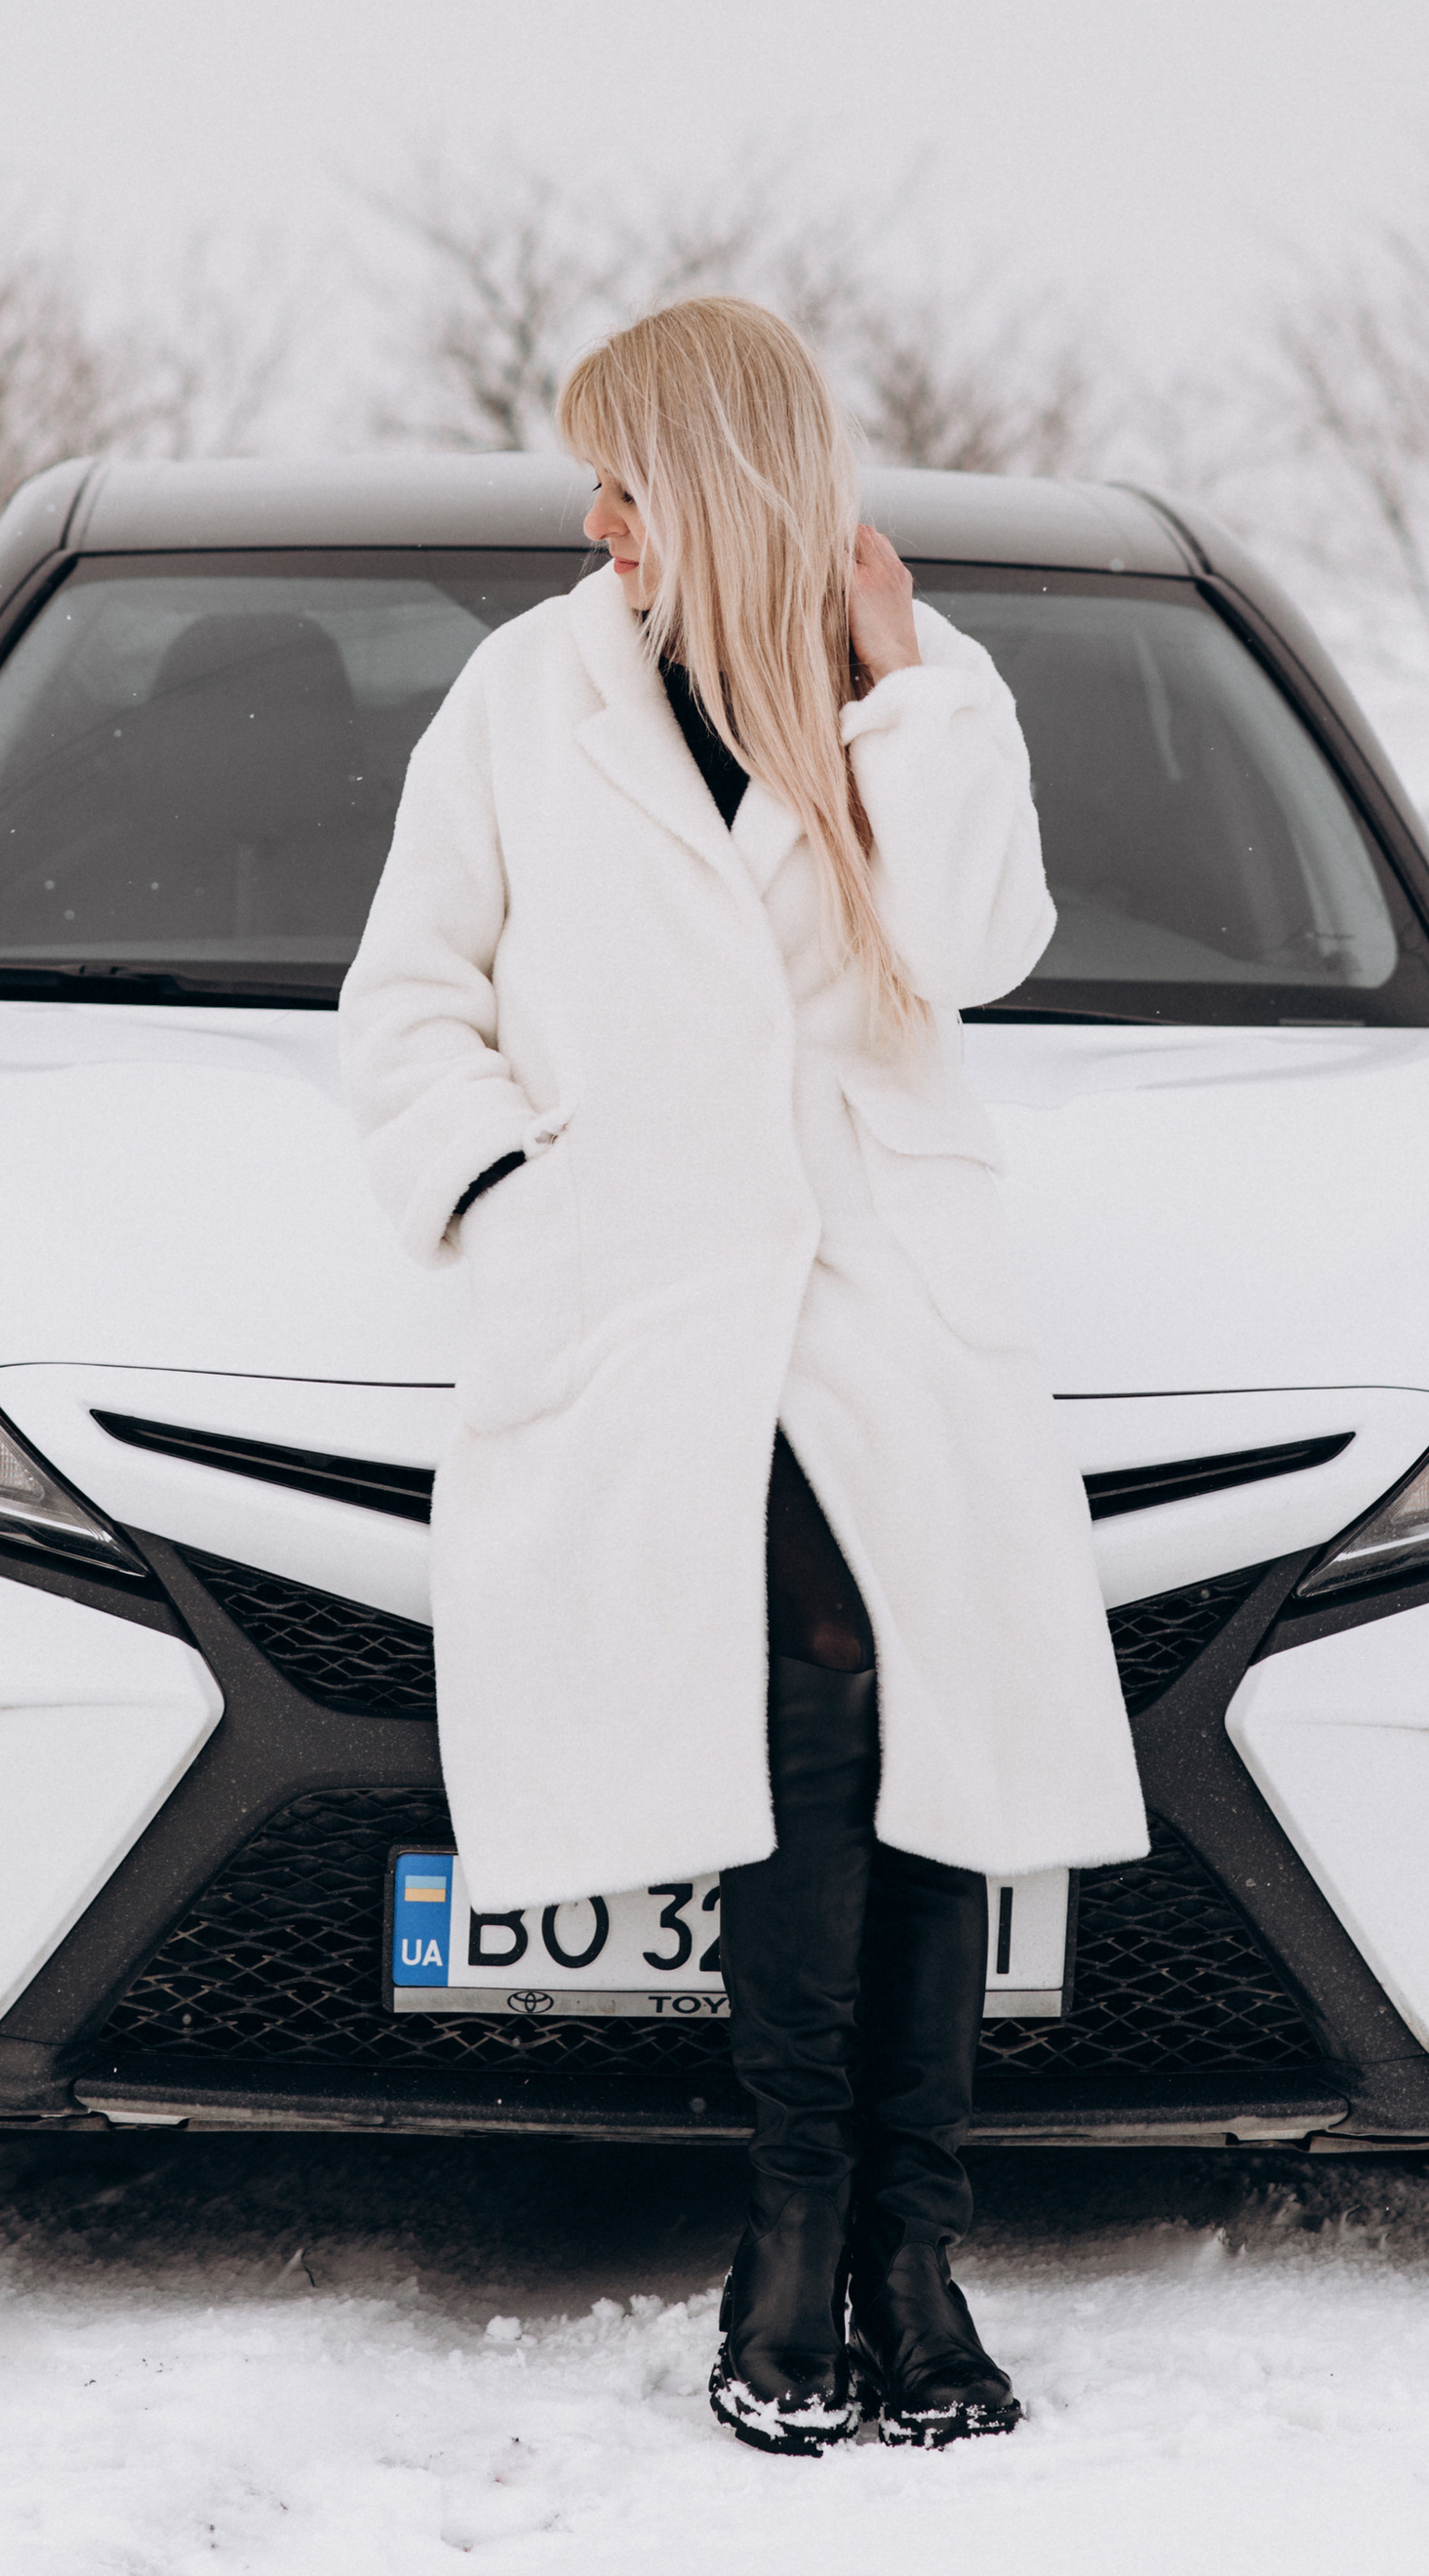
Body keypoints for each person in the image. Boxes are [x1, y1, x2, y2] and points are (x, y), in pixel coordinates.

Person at [337, 296, 1147, 2453]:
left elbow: (981, 945)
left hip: (885, 1300)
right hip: (652, 1309)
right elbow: (405, 1002)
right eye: (584, 483)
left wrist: (913, 677)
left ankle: (908, 2246)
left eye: (625, 479)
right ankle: (797, 2228)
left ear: (711, 484)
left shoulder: (895, 692)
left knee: (925, 1753)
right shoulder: (525, 699)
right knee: (803, 1727)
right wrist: (514, 1199)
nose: (594, 519)